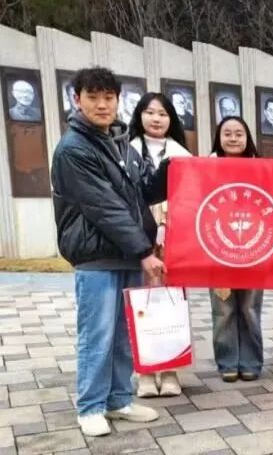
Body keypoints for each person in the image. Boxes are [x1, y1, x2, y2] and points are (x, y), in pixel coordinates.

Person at [51, 67, 166, 437]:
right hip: (97, 257)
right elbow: (104, 207)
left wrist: (171, 171)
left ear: (117, 100)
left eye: (108, 97)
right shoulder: (73, 149)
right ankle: (90, 407)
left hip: (126, 254)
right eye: (93, 97)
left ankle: (118, 400)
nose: (102, 105)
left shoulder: (120, 144)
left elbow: (141, 192)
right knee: (97, 335)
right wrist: (145, 250)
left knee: (122, 335)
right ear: (77, 100)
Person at [129, 92, 192, 398]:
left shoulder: (182, 153)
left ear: (171, 119)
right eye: (150, 112)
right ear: (139, 115)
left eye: (163, 113)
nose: (156, 118)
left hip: (174, 240)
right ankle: (143, 372)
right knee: (141, 304)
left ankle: (170, 370)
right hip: (138, 238)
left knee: (171, 302)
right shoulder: (125, 150)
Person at [209, 116, 264, 382]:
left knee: (250, 308)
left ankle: (251, 362)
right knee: (224, 309)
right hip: (217, 249)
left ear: (247, 138)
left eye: (239, 133)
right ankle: (227, 362)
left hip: (255, 249)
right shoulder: (205, 168)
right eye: (227, 133)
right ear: (219, 137)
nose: (233, 138)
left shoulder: (261, 169)